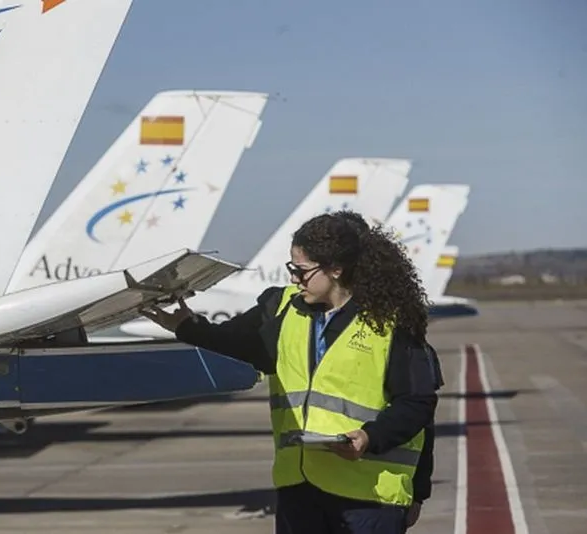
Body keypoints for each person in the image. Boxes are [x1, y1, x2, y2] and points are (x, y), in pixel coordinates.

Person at [140, 210, 443, 534]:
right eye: (291, 269)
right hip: (300, 490)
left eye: (301, 271)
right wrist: (187, 327)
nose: (294, 279)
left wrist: (373, 439)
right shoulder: (282, 309)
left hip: (368, 498)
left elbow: (417, 405)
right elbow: (233, 341)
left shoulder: (389, 323)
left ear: (336, 269)